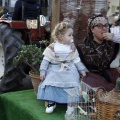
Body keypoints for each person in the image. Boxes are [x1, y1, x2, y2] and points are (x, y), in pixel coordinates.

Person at [37, 22, 86, 115]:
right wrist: (42, 72)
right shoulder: (52, 47)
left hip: (69, 69)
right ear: (61, 36)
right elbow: (45, 60)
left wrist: (82, 70)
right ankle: (52, 102)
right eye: (69, 35)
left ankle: (71, 104)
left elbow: (76, 60)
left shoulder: (72, 48)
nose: (72, 37)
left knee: (73, 83)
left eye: (72, 35)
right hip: (55, 69)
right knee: (50, 82)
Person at [76, 15, 120, 92]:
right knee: (95, 87)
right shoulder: (82, 46)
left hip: (110, 74)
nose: (104, 28)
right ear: (92, 29)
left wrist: (114, 37)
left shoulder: (113, 44)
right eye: (99, 26)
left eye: (106, 25)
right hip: (91, 76)